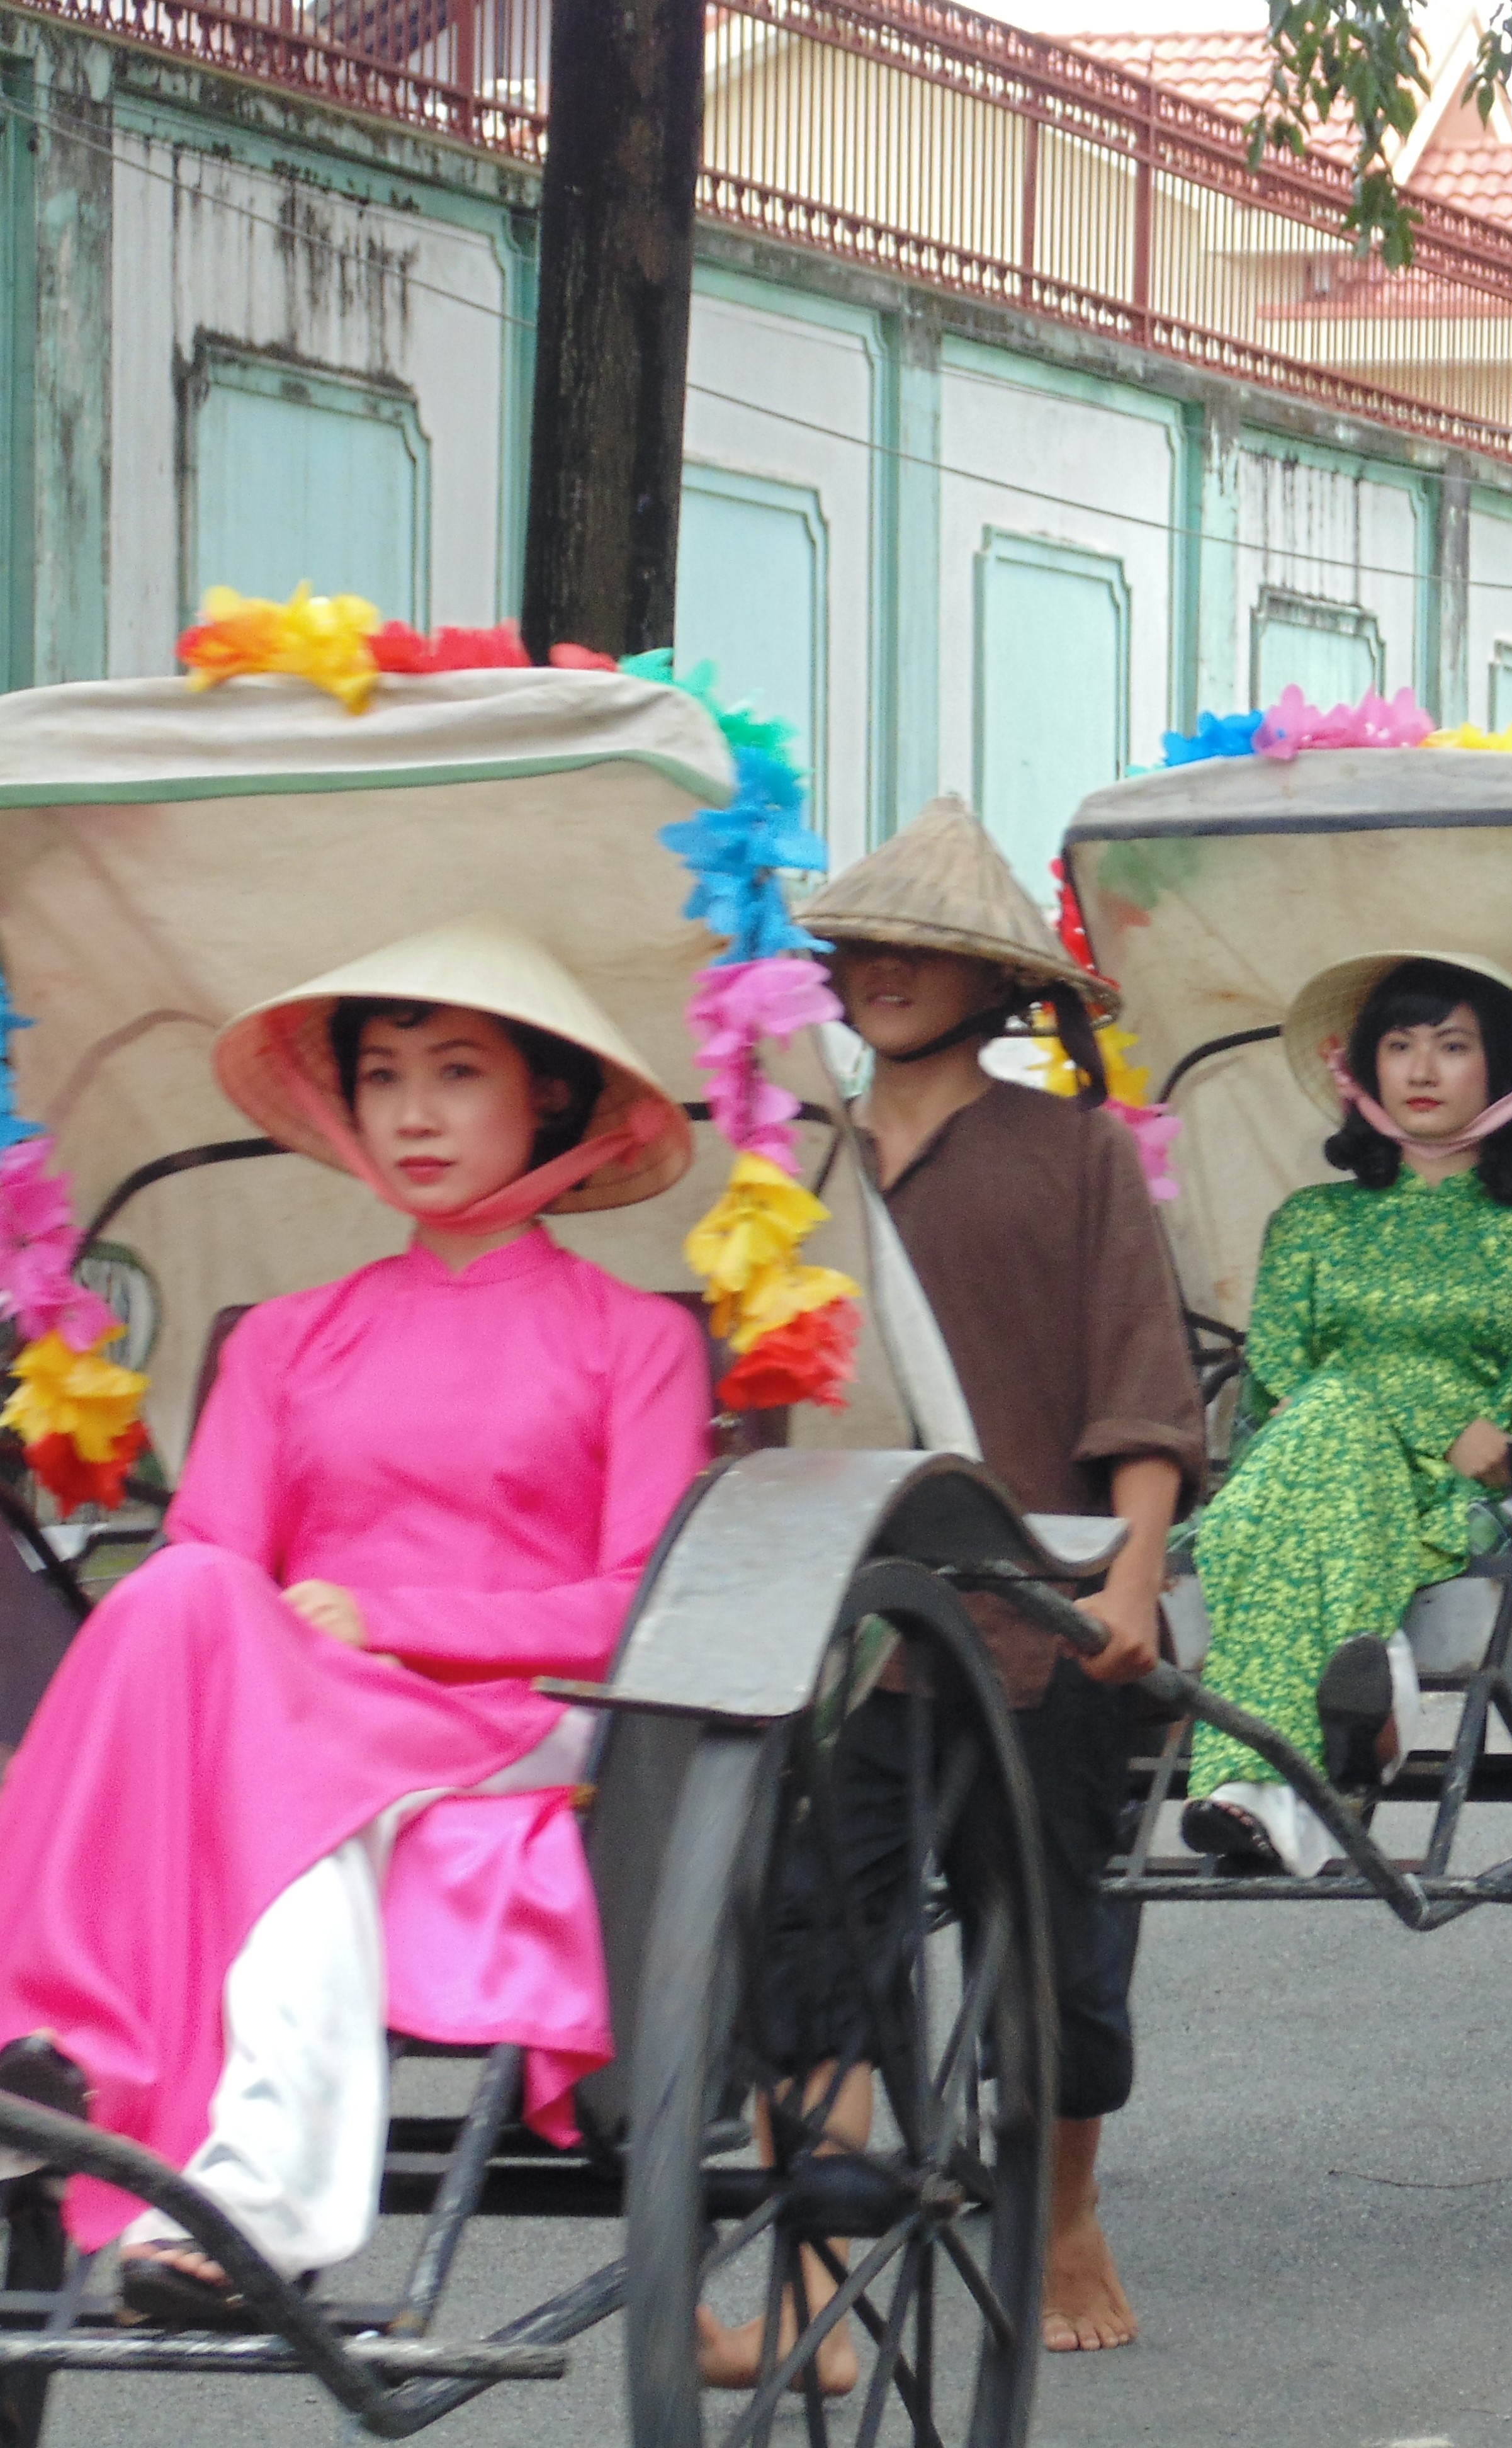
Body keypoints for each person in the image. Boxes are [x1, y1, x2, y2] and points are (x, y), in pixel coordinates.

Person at [0, 918, 709, 2326]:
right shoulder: (286, 1339)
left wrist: (384, 1613)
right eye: (383, 1076)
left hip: (522, 1714)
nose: (415, 1112)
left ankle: (101, 2070)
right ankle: (217, 2185)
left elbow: (641, 1608)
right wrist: (308, 1644)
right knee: (203, 1615)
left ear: (552, 1099)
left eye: (458, 1072)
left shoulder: (638, 1340)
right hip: (296, 1708)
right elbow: (209, 1569)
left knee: (271, 1748)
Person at [764, 796, 1202, 2362]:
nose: (885, 971)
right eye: (864, 947)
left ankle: (1067, 2208)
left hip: (1041, 1611)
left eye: (923, 951)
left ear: (998, 985)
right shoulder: (788, 1154)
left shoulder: (1071, 1149)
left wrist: (1135, 1574)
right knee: (808, 1923)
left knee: (1057, 1944)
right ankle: (816, 2257)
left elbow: (1139, 1386)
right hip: (836, 1622)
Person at [1178, 953, 1512, 1879]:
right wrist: (1428, 1411)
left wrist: (1431, 1427)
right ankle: (1345, 1723)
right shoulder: (1310, 1222)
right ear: (1363, 1069)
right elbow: (1280, 1379)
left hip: (1465, 1496)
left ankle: (1257, 1785)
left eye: (1451, 1046)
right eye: (1399, 1046)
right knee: (1324, 1422)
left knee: (1319, 1435)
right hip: (1313, 1467)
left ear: (1502, 1068)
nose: (1420, 1070)